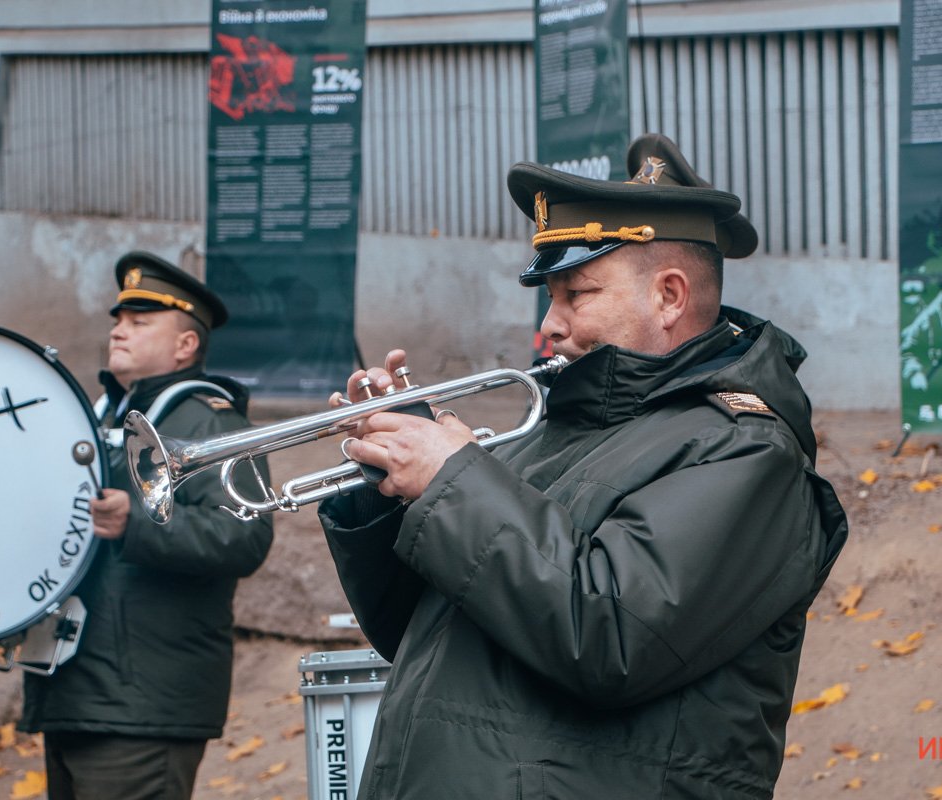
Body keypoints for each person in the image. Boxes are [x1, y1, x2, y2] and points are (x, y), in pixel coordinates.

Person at [319, 134, 848, 799]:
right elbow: (432, 634)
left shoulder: (746, 452)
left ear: (669, 296)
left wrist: (453, 484)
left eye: (577, 293)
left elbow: (610, 635)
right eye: (551, 296)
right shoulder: (554, 432)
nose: (550, 325)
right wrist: (394, 482)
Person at [19, 251, 274, 800]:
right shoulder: (100, 417)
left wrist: (135, 522)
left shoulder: (214, 421)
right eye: (117, 320)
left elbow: (245, 535)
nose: (119, 331)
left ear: (186, 345)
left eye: (139, 322)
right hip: (77, 693)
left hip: (144, 701)